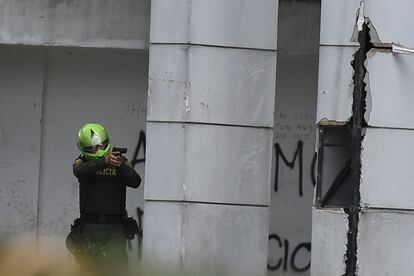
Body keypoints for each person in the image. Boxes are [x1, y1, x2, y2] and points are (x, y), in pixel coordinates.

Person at [66, 123, 141, 275]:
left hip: (115, 228)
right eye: (94, 148)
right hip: (90, 226)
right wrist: (104, 161)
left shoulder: (120, 163)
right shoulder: (83, 162)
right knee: (89, 268)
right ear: (85, 149)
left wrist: (121, 166)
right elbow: (78, 171)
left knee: (117, 269)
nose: (99, 150)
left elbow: (136, 181)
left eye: (102, 146)